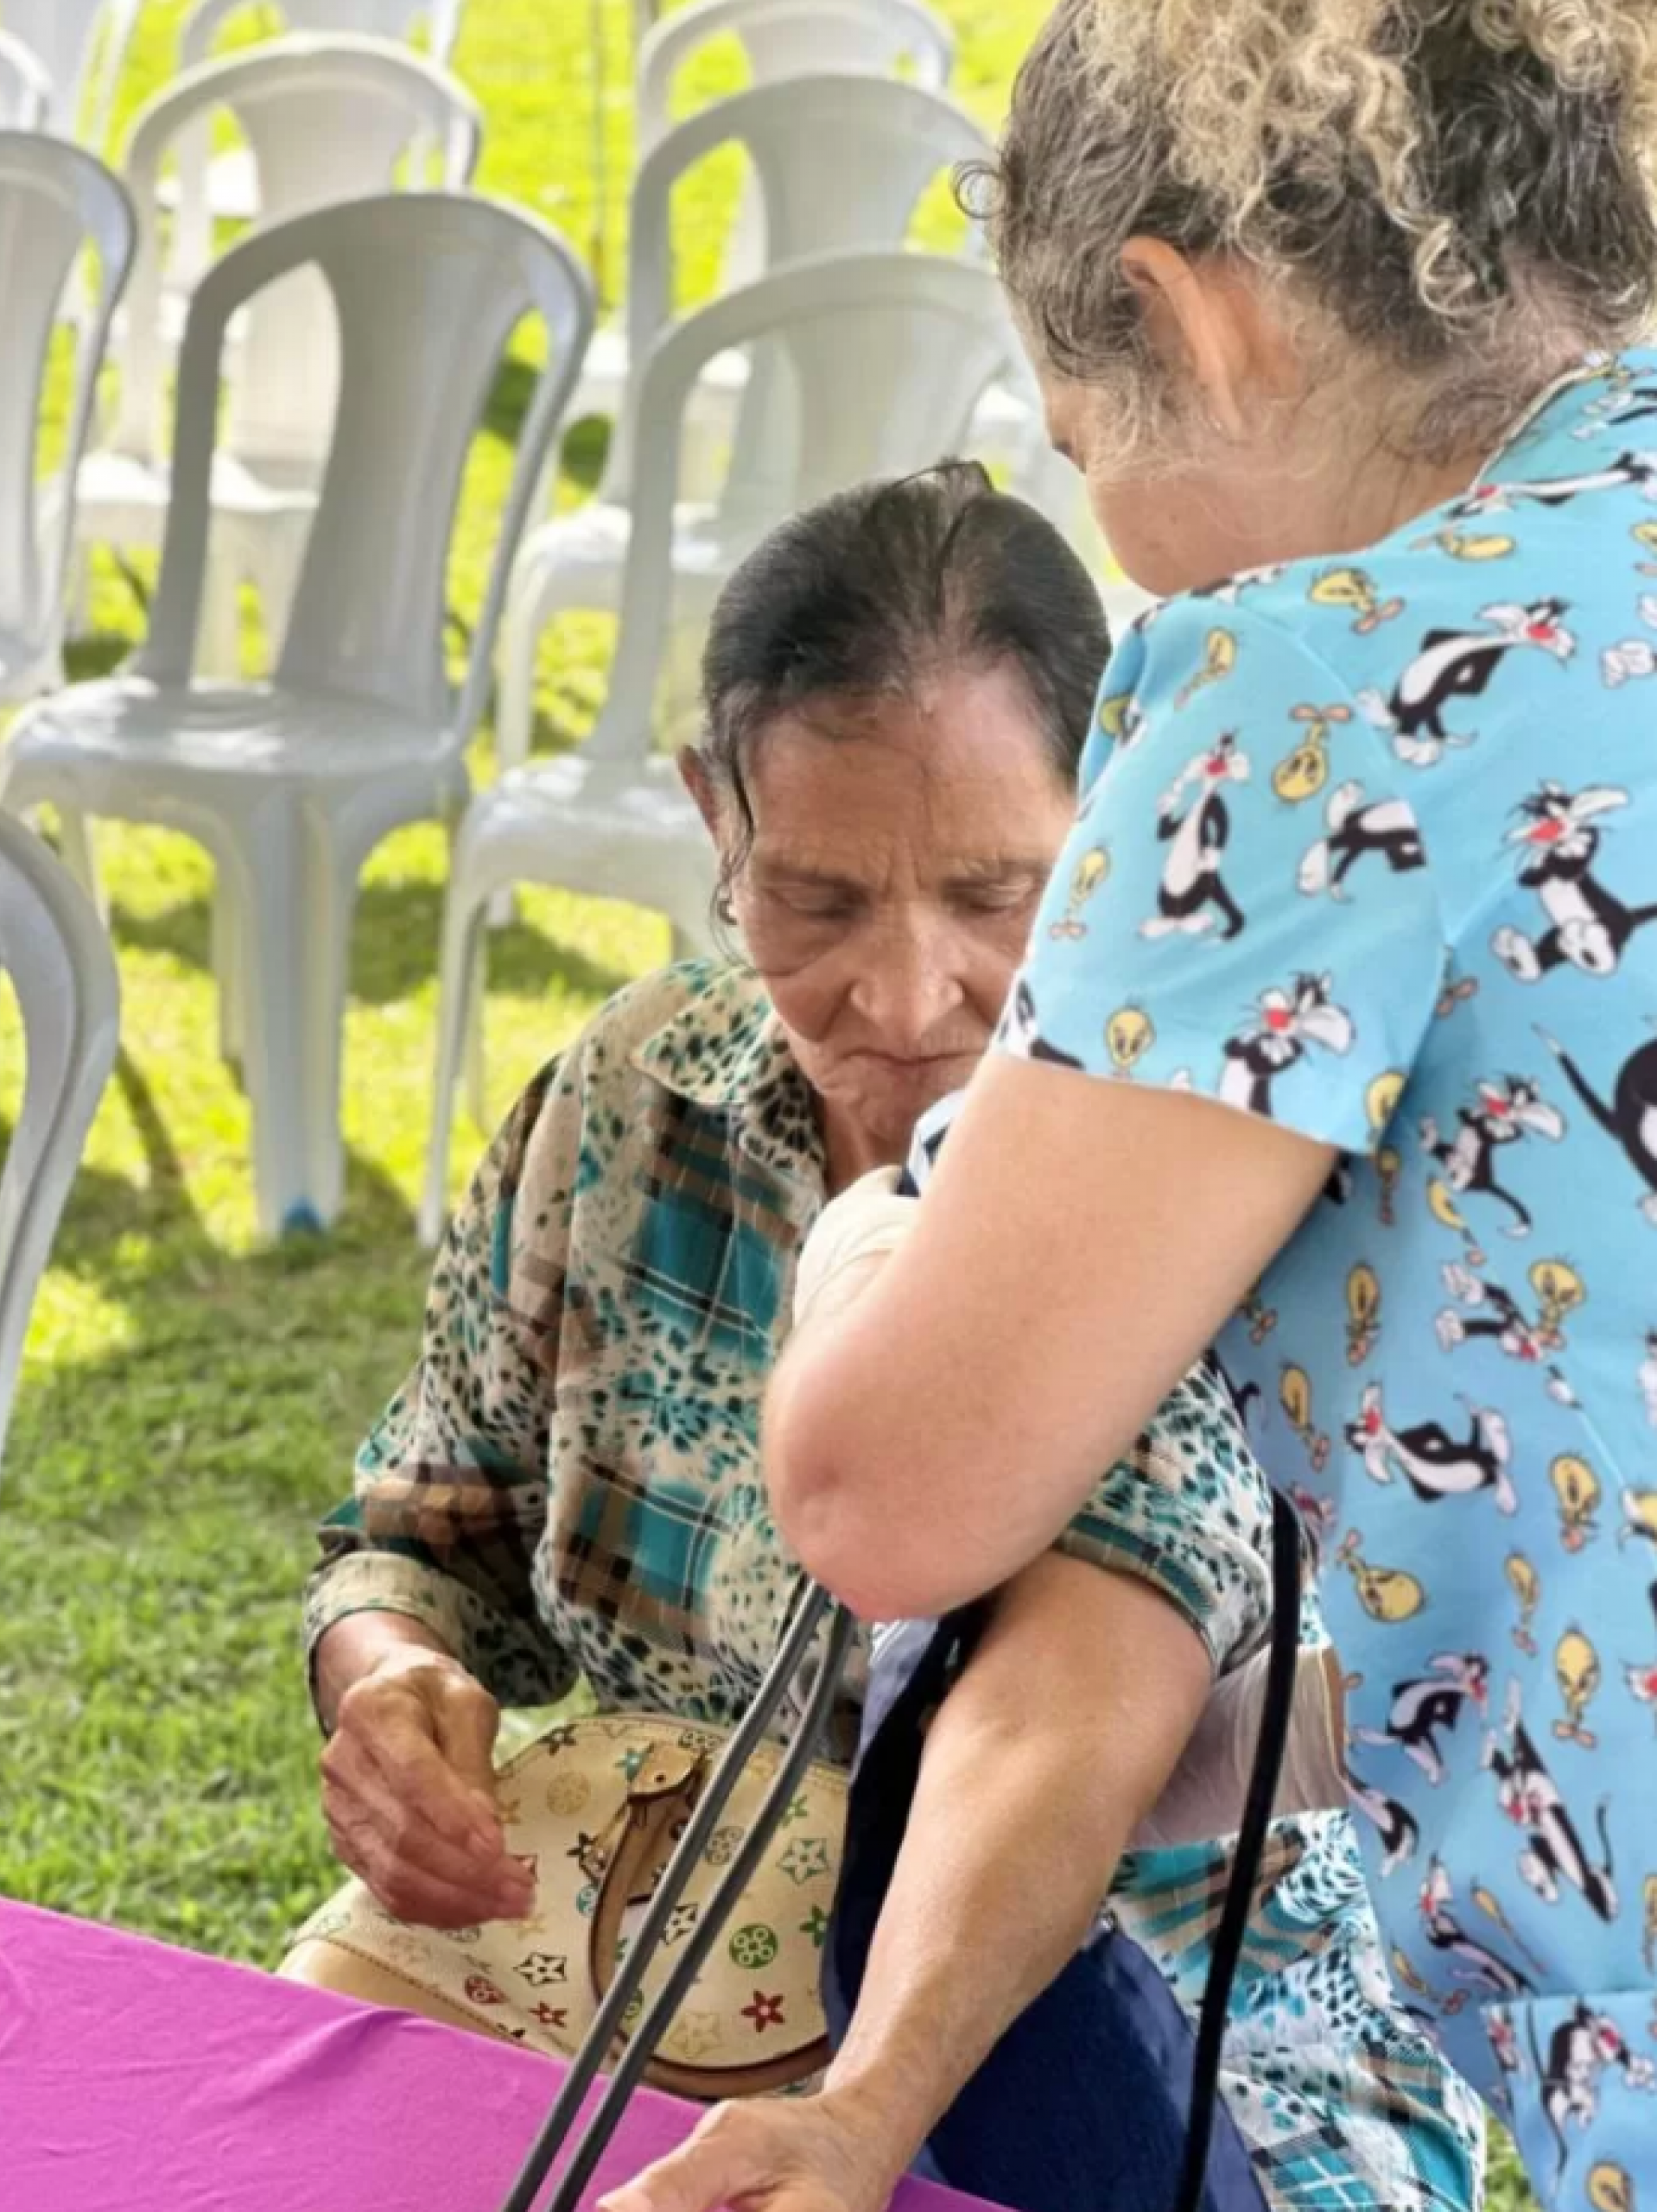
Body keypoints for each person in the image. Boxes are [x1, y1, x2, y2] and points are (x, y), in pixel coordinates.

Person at [289, 467, 1477, 2212]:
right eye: (818, 902)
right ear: (716, 817)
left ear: (1118, 814)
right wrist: (390, 1681)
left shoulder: (1201, 1152)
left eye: (999, 896)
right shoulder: (623, 1102)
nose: (908, 999)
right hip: (636, 1910)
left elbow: (1067, 1701)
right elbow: (420, 1534)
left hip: (1117, 1980)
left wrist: (860, 2109)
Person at [761, 8, 1657, 2207]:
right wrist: (1269, 1740)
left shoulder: (1323, 681)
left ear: (1186, 312)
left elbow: (890, 1487)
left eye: (1081, 433)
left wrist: (869, 1244)